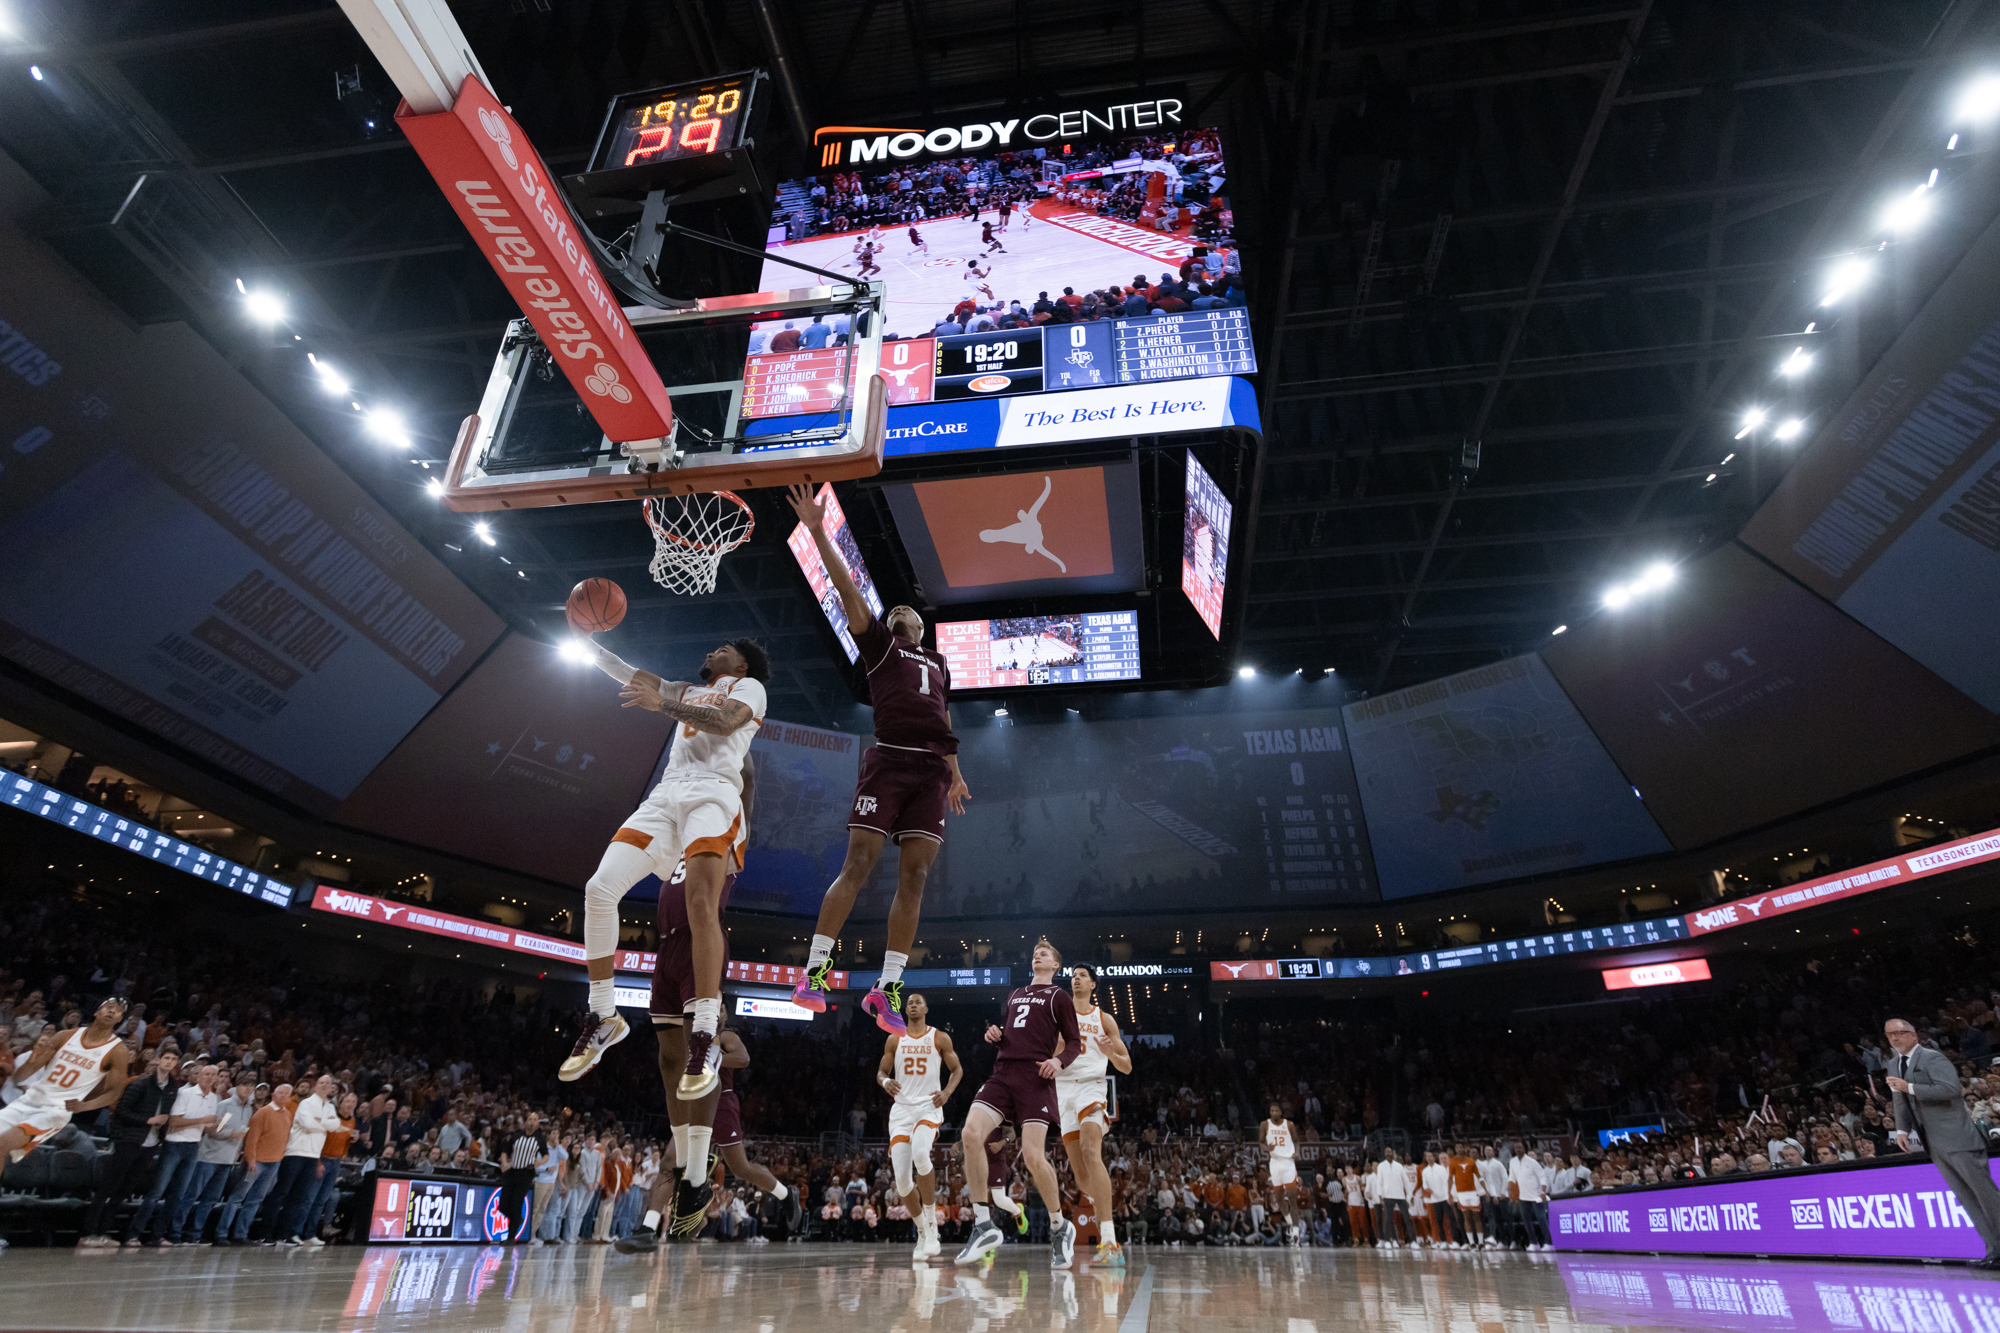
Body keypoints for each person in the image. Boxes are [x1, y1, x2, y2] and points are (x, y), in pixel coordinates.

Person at [787, 484, 969, 1033]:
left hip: (932, 770)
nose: (900, 610)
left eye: (907, 610)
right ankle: (814, 972)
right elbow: (848, 593)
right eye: (894, 609)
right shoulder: (880, 645)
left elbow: (944, 717)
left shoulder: (937, 661)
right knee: (860, 864)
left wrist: (957, 772)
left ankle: (886, 989)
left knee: (915, 876)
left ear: (921, 628)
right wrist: (819, 531)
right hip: (889, 760)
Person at [562, 634, 769, 1098]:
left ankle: (704, 1034)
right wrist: (588, 645)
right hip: (667, 793)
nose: (710, 650)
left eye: (722, 649)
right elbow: (629, 673)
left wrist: (663, 707)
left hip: (714, 793)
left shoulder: (749, 689)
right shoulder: (683, 689)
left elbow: (724, 722)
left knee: (700, 905)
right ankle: (603, 1015)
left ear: (741, 664)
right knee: (600, 889)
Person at [622, 829, 755, 1250]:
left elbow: (743, 796)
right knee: (669, 1062)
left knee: (699, 1055)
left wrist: (741, 775)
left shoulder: (725, 841)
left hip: (701, 942)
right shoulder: (675, 847)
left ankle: (696, 1176)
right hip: (665, 950)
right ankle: (671, 1200)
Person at [954, 938, 1084, 1267]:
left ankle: (1059, 1227)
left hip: (1035, 1077)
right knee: (970, 1135)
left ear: (1055, 965)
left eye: (1044, 954)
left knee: (1033, 1156)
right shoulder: (1015, 994)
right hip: (1003, 1072)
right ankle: (983, 1225)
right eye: (1035, 954)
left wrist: (1058, 1063)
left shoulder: (1059, 996)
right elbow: (1013, 1032)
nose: (1037, 956)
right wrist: (996, 1033)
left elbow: (1074, 1043)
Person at [1886, 1016, 2000, 1267]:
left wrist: (1910, 1087)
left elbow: (1950, 1090)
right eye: (1889, 1035)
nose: (1894, 1038)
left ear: (1913, 1034)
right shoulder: (1894, 1064)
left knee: (1986, 1195)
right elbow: (1899, 1101)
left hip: (1957, 1138)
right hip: (1933, 1142)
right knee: (1967, 1198)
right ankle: (1993, 1250)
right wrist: (1902, 1130)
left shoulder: (1932, 1058)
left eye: (1900, 1033)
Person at [879, 991, 963, 1261]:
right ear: (905, 1010)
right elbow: (881, 1072)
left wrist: (947, 1093)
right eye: (909, 1003)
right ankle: (922, 1232)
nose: (913, 1005)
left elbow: (957, 1069)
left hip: (928, 1106)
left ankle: (932, 1224)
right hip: (901, 1110)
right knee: (902, 1182)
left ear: (926, 1008)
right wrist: (884, 1082)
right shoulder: (894, 1038)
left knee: (920, 1154)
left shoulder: (939, 1037)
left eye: (918, 1002)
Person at [1058, 964, 1132, 1266]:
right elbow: (1043, 1054)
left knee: (1091, 1150)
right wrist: (1056, 1048)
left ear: (1092, 985)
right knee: (1082, 1178)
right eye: (1073, 976)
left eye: (1082, 976)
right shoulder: (1058, 1016)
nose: (1076, 978)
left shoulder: (1104, 1019)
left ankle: (1110, 1240)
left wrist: (1109, 1052)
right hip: (1062, 1092)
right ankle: (1102, 1201)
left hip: (1091, 1088)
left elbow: (1126, 1066)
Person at [0, 995, 131, 1163]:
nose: (113, 1011)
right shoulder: (65, 1036)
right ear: (98, 1011)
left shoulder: (117, 1050)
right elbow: (19, 1079)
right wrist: (32, 1062)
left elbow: (114, 1092)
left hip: (55, 1110)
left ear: (120, 1019)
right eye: (109, 1006)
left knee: (3, 1143)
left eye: (119, 1011)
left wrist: (84, 1106)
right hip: (28, 1100)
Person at [129, 1060, 220, 1246]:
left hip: (193, 1146)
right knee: (157, 1192)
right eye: (206, 1074)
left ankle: (157, 1235)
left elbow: (206, 1129)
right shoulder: (185, 1093)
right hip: (174, 1145)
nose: (210, 1078)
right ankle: (133, 1234)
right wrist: (202, 1120)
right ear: (198, 1076)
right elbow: (174, 1122)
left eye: (213, 1075)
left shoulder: (213, 1098)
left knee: (177, 1194)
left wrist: (215, 1127)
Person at [181, 1072, 255, 1245]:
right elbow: (213, 1130)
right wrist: (231, 1133)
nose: (248, 1089)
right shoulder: (224, 1105)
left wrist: (238, 1147)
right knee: (192, 1195)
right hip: (210, 1157)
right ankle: (177, 1231)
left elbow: (242, 1132)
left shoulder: (249, 1108)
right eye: (245, 1085)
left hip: (227, 1160)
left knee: (211, 1199)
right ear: (237, 1087)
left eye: (251, 1086)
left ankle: (196, 1233)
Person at [274, 1073, 342, 1246]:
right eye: (321, 1083)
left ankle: (289, 1233)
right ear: (315, 1085)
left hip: (313, 1156)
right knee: (283, 1194)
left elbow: (336, 1126)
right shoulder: (306, 1103)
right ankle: (274, 1233)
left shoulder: (330, 1106)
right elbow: (308, 1124)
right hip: (295, 1153)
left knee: (300, 1197)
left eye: (328, 1083)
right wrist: (325, 1123)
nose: (324, 1085)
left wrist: (321, 1121)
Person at [498, 1113, 549, 1245]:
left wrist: (540, 1162)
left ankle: (511, 1237)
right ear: (525, 1122)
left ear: (538, 1123)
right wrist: (504, 1163)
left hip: (526, 1174)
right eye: (530, 1119)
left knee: (516, 1204)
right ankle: (517, 1219)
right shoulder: (516, 1135)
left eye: (535, 1120)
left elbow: (546, 1155)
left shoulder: (540, 1139)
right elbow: (505, 1151)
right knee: (502, 1205)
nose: (532, 1122)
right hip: (511, 1172)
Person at [1258, 1102, 1299, 1237]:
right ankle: (1288, 1220)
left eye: (1276, 1111)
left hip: (1288, 1162)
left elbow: (1296, 1141)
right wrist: (1266, 1148)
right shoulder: (1265, 1124)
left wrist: (1297, 1152)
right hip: (1274, 1162)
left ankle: (1296, 1233)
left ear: (1281, 1112)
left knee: (1292, 1198)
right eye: (1272, 1111)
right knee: (1279, 1199)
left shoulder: (1289, 1124)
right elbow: (1261, 1143)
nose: (1274, 1113)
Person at [1509, 1142, 1550, 1251]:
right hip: (1523, 1197)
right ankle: (1533, 1242)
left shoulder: (1532, 1162)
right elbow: (1512, 1178)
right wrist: (1511, 1192)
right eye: (1516, 1147)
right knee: (1526, 1220)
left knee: (1541, 1218)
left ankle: (1549, 1243)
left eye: (1520, 1147)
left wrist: (1543, 1192)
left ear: (1525, 1149)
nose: (1518, 1149)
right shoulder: (1512, 1162)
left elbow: (1543, 1177)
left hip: (1536, 1195)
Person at [1448, 1141, 1484, 1248]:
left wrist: (1484, 1190)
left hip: (1473, 1192)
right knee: (1466, 1217)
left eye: (1461, 1147)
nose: (1459, 1149)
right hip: (1461, 1193)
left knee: (1476, 1217)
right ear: (1455, 1149)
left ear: (1464, 1148)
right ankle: (1472, 1242)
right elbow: (1450, 1179)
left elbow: (1478, 1176)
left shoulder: (1471, 1161)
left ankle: (1481, 1242)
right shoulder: (1453, 1162)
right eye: (1457, 1147)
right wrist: (1449, 1193)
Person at [1372, 1148, 1411, 1248]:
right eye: (1386, 1152)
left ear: (1393, 1153)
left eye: (1390, 1152)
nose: (1388, 1153)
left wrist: (1409, 1196)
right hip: (1388, 1196)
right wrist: (1380, 1195)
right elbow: (1379, 1182)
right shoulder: (1381, 1166)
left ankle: (1413, 1241)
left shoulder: (1399, 1166)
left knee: (1407, 1218)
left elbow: (1406, 1181)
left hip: (1400, 1196)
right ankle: (1387, 1241)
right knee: (1387, 1220)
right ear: (1384, 1154)